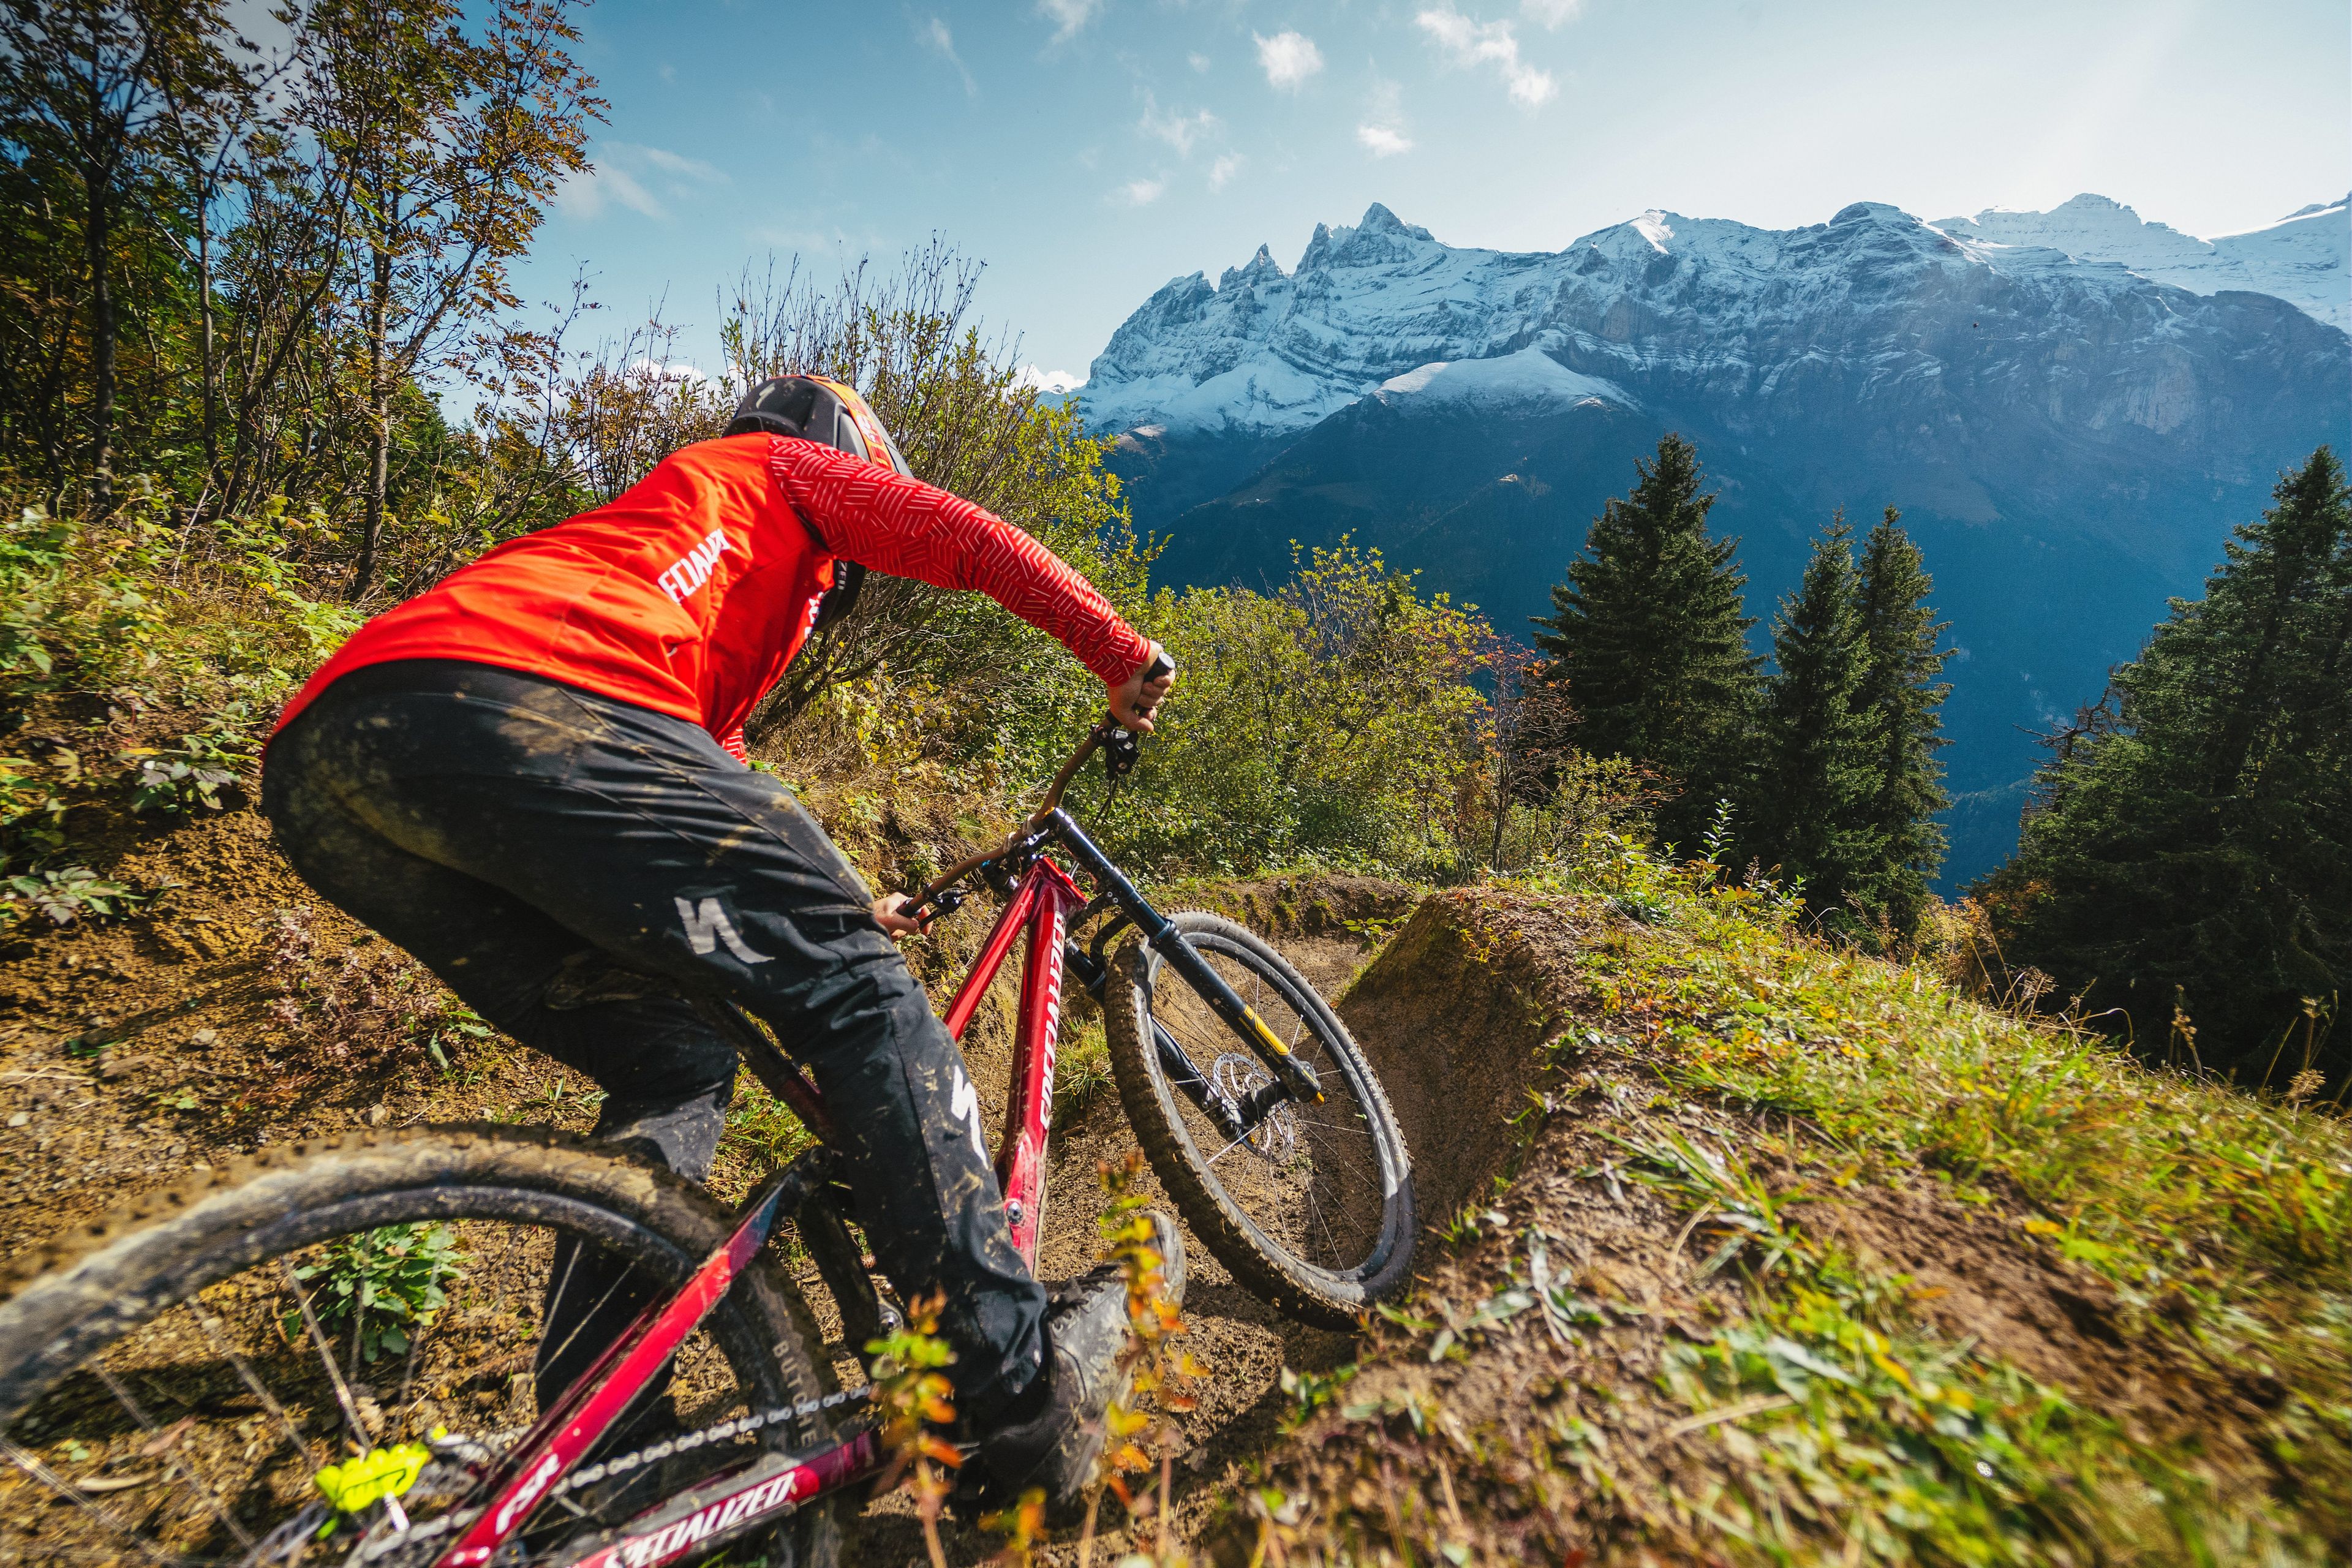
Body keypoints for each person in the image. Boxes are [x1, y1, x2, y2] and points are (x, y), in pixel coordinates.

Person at [259, 374, 1182, 1509]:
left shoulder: (677, 552)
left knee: (676, 1061)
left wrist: (850, 901)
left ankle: (603, 1449)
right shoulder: (777, 471)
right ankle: (1022, 1397)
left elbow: (712, 784)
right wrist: (1114, 649)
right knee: (862, 998)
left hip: (334, 759)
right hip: (532, 698)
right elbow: (960, 534)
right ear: (842, 450)